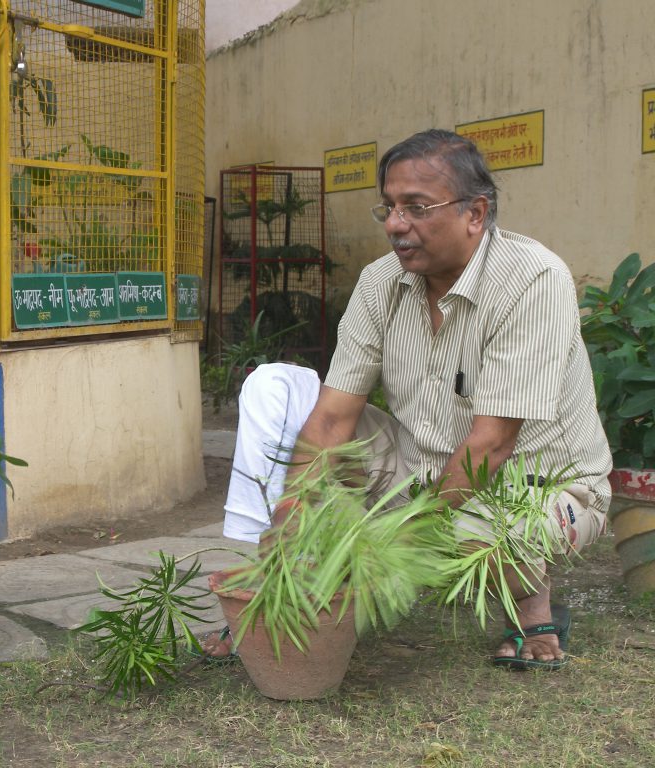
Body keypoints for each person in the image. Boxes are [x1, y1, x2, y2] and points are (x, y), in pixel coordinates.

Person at [208, 129, 612, 670]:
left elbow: (492, 443)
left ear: (475, 213)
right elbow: (331, 418)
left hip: (537, 483)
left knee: (476, 538)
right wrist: (289, 515)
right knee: (273, 389)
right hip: (418, 462)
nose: (397, 225)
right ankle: (268, 592)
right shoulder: (381, 282)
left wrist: (389, 542)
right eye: (391, 208)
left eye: (417, 208)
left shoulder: (532, 280)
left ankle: (532, 608)